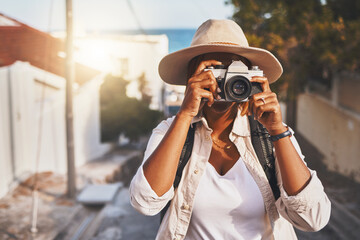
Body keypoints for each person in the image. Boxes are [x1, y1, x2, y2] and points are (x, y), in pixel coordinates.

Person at [129, 19, 331, 240]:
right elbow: (145, 203)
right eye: (213, 71)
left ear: (251, 78)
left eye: (233, 72)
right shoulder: (171, 132)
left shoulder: (271, 137)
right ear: (192, 78)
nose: (225, 82)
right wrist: (185, 114)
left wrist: (277, 130)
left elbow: (314, 219)